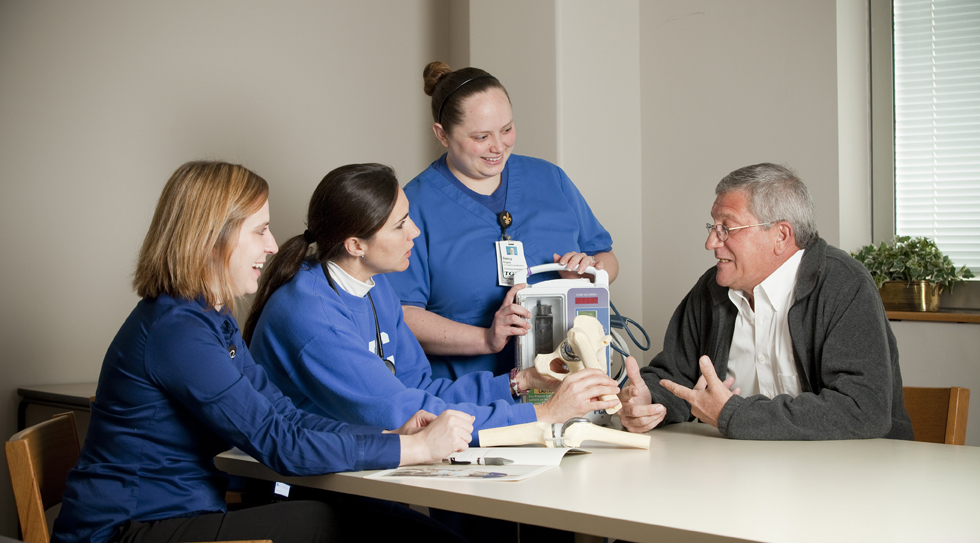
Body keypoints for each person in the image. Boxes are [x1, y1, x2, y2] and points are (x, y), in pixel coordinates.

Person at [51, 161, 474, 543]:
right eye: (259, 231)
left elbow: (284, 416)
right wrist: (416, 450)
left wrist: (391, 438)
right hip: (126, 531)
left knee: (377, 521)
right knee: (324, 524)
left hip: (180, 516)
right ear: (211, 238)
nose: (272, 245)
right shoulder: (177, 333)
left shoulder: (209, 318)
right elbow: (281, 444)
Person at [244, 163, 621, 439]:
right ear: (355, 245)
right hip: (308, 482)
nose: (416, 231)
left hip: (363, 466)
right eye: (400, 224)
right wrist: (543, 415)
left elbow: (422, 389)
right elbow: (404, 413)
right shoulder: (309, 315)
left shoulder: (375, 290)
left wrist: (518, 382)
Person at [617, 163, 914, 440]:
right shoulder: (713, 288)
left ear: (781, 236)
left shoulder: (843, 284)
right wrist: (648, 401)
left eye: (727, 228)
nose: (711, 242)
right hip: (737, 473)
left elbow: (863, 410)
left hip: (847, 477)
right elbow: (675, 377)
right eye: (712, 227)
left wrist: (732, 415)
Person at [386, 61, 620, 380]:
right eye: (481, 136)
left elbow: (606, 258)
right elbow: (402, 314)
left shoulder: (550, 179)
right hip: (467, 398)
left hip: (566, 383)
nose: (499, 147)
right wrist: (485, 339)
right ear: (442, 134)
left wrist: (590, 271)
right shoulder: (413, 205)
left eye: (507, 129)